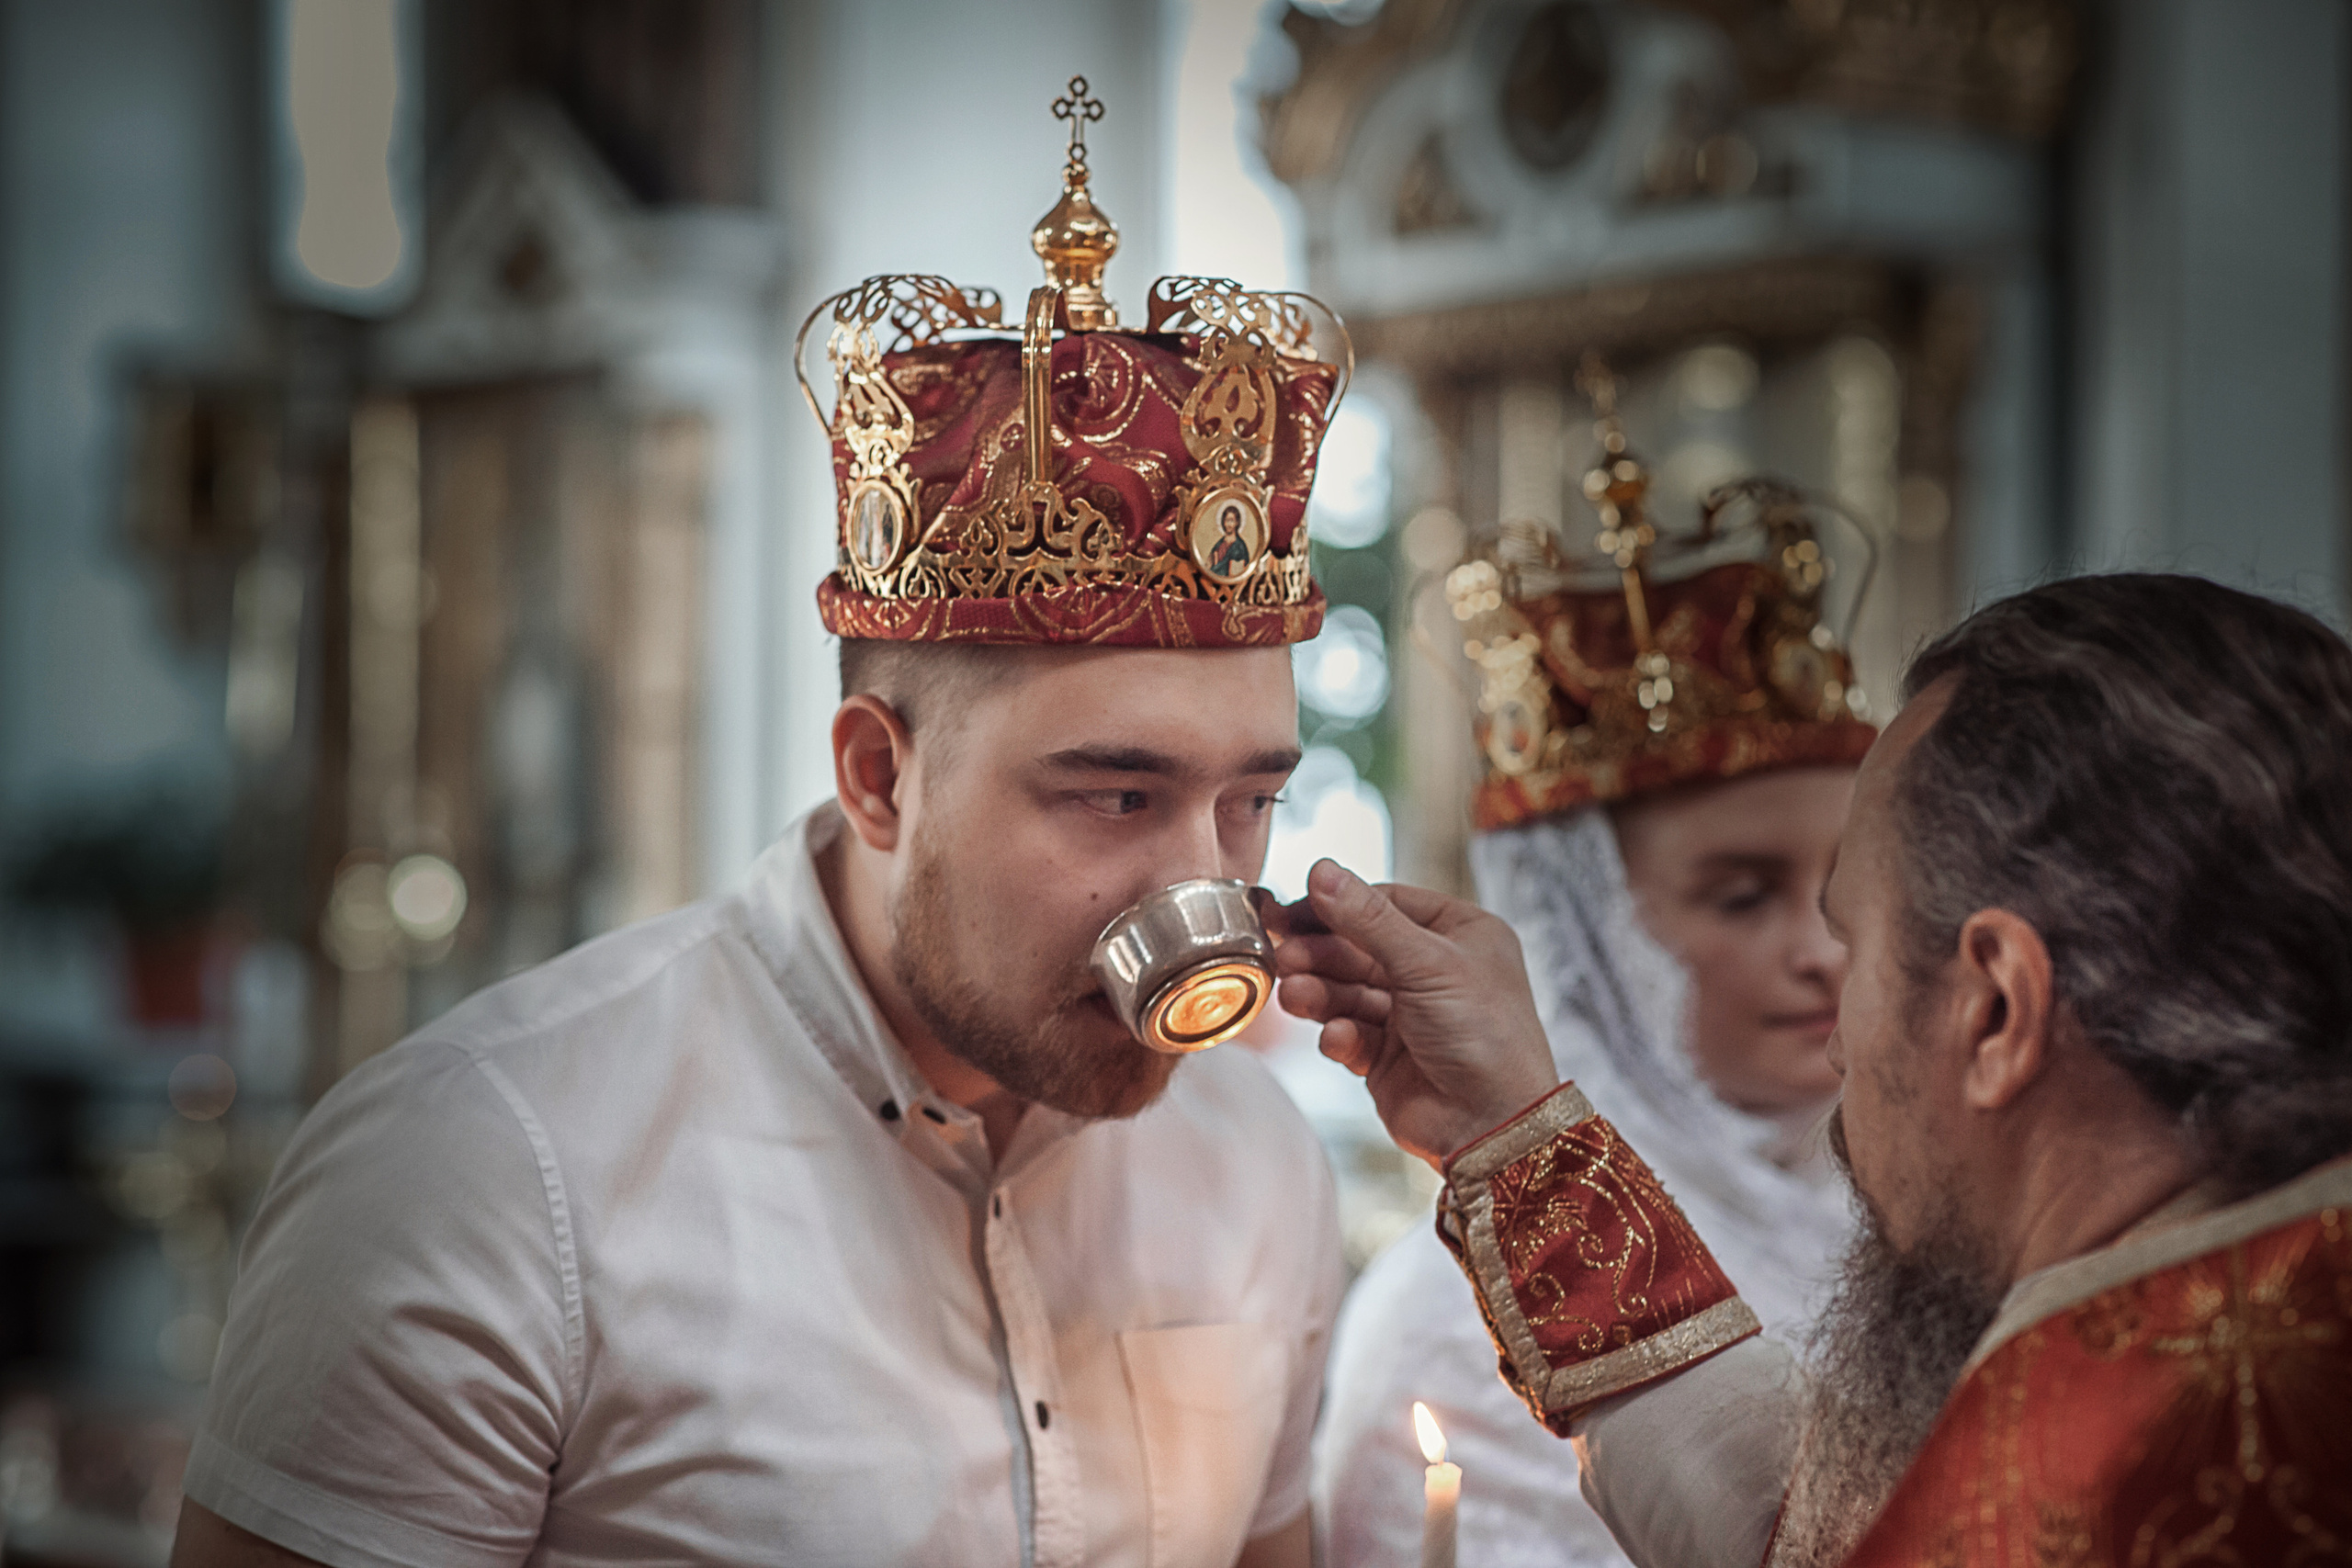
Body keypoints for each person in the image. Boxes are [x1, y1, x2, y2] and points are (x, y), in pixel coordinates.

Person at [172, 89, 1353, 1568]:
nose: (1205, 890)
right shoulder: (488, 1168)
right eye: (1116, 794)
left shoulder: (1254, 1159)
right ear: (877, 776)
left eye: (1251, 800)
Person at [1280, 572, 2352, 1564]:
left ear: (1993, 1009)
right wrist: (1515, 1143)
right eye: (1745, 894)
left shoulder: (2124, 1449)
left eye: (1857, 941)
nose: (1836, 1025)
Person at [1315, 438, 1873, 1565]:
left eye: (1841, 888)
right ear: (1586, 939)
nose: (1822, 952)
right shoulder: (1459, 1324)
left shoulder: (1911, 1203)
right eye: (1742, 895)